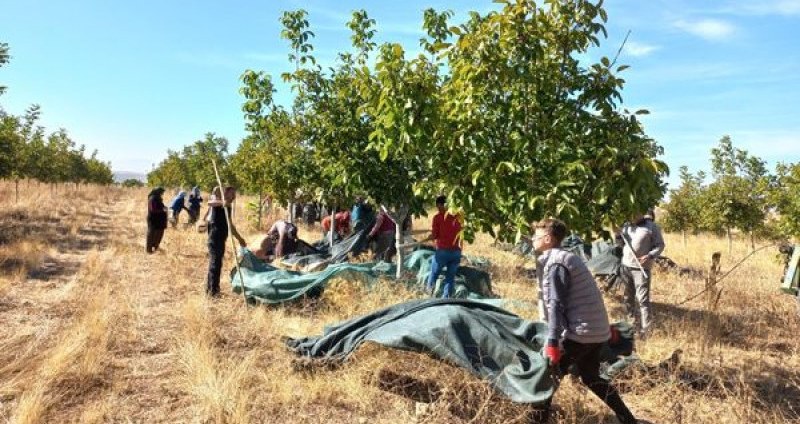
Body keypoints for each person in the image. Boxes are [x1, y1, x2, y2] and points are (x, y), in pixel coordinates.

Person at [533, 218, 638, 424]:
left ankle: (537, 421)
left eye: (536, 237)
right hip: (597, 332)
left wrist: (553, 343)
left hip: (581, 334)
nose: (533, 241)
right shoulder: (567, 257)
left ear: (547, 238)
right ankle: (628, 419)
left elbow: (555, 305)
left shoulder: (556, 264)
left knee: (547, 378)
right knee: (592, 377)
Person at [616, 209, 665, 338]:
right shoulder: (626, 226)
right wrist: (617, 236)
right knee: (628, 297)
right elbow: (621, 244)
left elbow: (660, 245)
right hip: (626, 266)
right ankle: (630, 325)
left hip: (641, 269)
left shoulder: (652, 227)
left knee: (643, 300)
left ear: (641, 213)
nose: (633, 216)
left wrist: (649, 255)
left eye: (635, 213)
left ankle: (646, 330)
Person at [206, 186, 247, 297]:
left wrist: (239, 239)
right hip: (214, 238)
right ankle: (213, 292)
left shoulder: (227, 207)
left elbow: (230, 226)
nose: (234, 197)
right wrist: (222, 202)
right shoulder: (218, 203)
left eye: (235, 195)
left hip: (221, 239)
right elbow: (210, 203)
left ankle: (212, 289)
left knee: (217, 264)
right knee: (215, 264)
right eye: (231, 194)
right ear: (225, 193)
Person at [424, 195, 463, 298]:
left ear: (441, 205)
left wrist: (430, 237)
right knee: (450, 278)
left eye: (438, 205)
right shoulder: (458, 216)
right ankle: (447, 299)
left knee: (434, 274)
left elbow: (435, 235)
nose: (437, 208)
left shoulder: (438, 217)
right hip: (456, 252)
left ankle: (428, 295)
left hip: (443, 251)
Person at [146, 187, 167, 253]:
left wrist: (165, 208)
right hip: (154, 219)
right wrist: (163, 210)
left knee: (159, 234)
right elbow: (153, 209)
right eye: (161, 192)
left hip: (159, 220)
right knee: (152, 234)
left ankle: (155, 247)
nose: (162, 193)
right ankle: (149, 249)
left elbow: (160, 206)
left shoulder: (157, 198)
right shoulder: (153, 198)